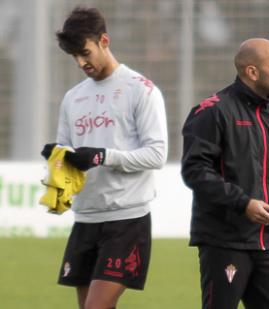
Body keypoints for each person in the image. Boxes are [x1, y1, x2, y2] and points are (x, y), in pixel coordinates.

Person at [40, 6, 168, 309]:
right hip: (85, 217)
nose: (81, 62)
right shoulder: (73, 97)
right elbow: (68, 149)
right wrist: (58, 156)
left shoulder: (142, 90)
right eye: (74, 56)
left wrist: (101, 156)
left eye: (85, 52)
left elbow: (157, 154)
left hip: (127, 220)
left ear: (104, 41)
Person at [180, 38, 269, 309]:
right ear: (252, 72)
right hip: (225, 242)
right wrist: (244, 204)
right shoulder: (213, 111)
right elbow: (195, 170)